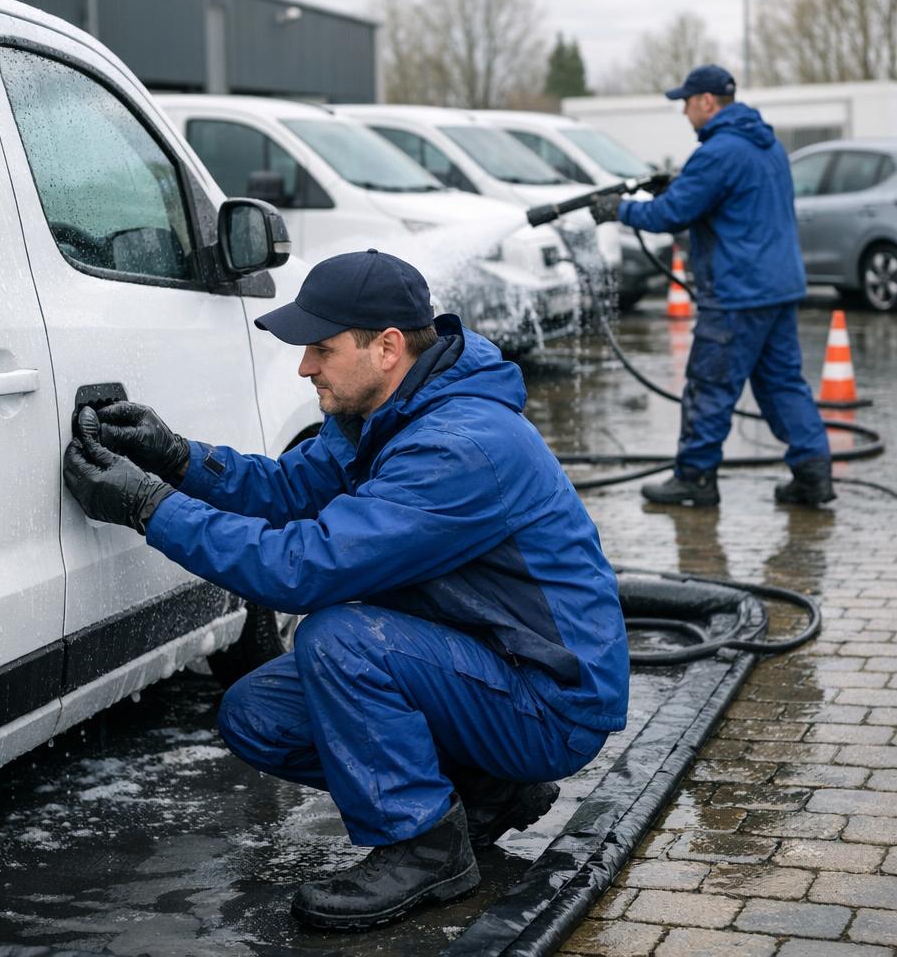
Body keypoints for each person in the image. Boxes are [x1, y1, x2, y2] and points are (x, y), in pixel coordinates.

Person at [62, 248, 628, 931]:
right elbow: (287, 490)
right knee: (259, 715)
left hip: (550, 701)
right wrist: (177, 457)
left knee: (341, 636)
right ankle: (486, 792)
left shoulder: (459, 447)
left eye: (321, 350)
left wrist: (149, 508)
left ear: (386, 347)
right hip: (482, 664)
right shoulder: (381, 414)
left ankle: (422, 849)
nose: (306, 368)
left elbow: (301, 569)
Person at [590, 64, 834, 508]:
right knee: (783, 384)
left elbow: (670, 215)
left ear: (706, 102)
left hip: (737, 292)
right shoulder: (767, 145)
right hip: (778, 287)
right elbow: (729, 201)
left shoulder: (719, 152)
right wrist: (681, 186)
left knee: (710, 383)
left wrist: (618, 210)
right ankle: (814, 474)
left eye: (686, 102)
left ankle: (696, 479)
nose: (684, 112)